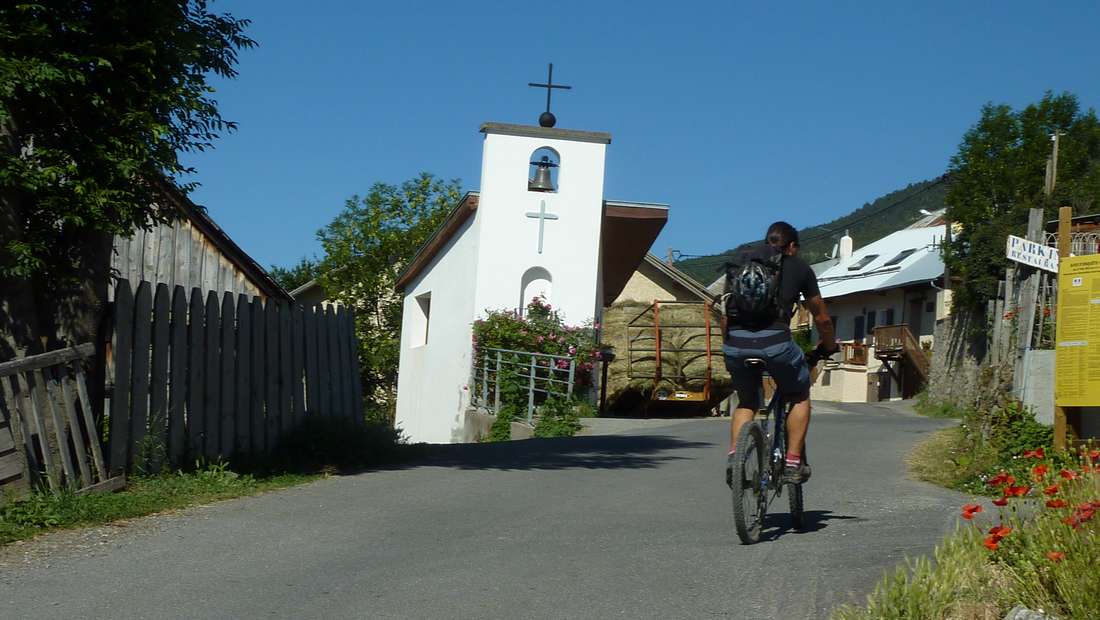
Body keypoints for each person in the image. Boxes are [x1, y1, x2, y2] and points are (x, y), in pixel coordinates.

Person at [721, 221, 837, 486]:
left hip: (736, 343)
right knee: (799, 393)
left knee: (747, 402)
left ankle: (734, 461)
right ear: (792, 246)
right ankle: (793, 462)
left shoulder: (741, 262)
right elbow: (821, 317)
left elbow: (726, 312)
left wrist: (729, 346)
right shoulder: (800, 267)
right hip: (776, 343)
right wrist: (828, 345)